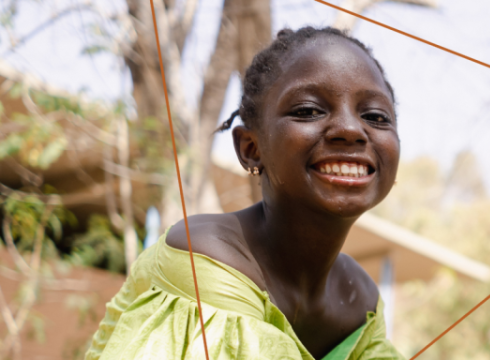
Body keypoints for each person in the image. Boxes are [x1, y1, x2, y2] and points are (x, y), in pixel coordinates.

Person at [86, 26, 404, 360]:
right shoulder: (205, 261)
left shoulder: (361, 300)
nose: (351, 130)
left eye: (375, 116)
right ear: (251, 148)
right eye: (308, 110)